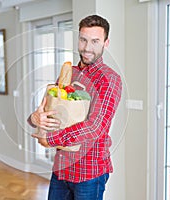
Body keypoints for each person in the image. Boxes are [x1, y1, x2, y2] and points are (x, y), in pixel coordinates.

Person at [28, 14, 122, 200]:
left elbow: (96, 126)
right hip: (62, 168)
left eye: (95, 41)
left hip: (89, 172)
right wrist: (35, 119)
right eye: (83, 40)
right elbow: (49, 111)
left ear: (106, 43)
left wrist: (52, 139)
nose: (87, 48)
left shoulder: (109, 79)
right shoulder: (69, 73)